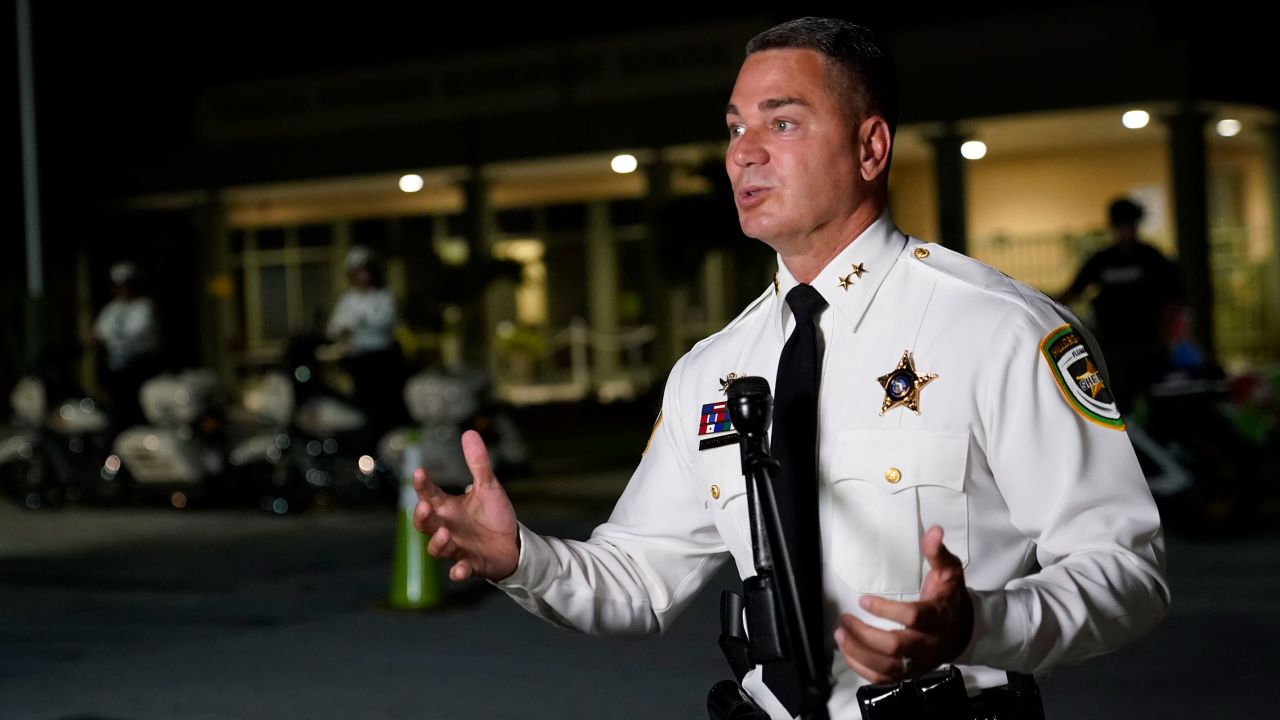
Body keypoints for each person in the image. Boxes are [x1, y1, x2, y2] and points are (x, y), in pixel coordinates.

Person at [412, 17, 1168, 719]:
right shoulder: (710, 370)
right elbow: (638, 584)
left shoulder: (998, 330)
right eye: (735, 127)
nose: (743, 151)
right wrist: (521, 559)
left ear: (871, 148)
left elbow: (1125, 572)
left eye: (782, 121)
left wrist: (977, 625)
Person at [1059, 198, 1181, 412]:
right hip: (1114, 345)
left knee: (1157, 403)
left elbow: (1173, 299)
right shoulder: (1103, 259)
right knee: (1119, 402)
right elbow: (1073, 292)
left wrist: (1165, 335)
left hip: (1148, 342)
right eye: (1121, 226)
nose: (1126, 231)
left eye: (1130, 225)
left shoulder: (1151, 257)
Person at [326, 245, 407, 436]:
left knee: (387, 406)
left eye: (365, 270)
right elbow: (333, 329)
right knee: (360, 406)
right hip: (358, 362)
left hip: (383, 361)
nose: (362, 275)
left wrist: (356, 323)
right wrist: (345, 329)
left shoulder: (384, 298)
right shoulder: (347, 300)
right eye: (357, 271)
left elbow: (382, 322)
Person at [93, 261, 160, 430]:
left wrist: (111, 339)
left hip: (141, 368)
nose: (123, 289)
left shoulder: (144, 307)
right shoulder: (111, 310)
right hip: (117, 370)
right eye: (119, 285)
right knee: (117, 413)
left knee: (140, 411)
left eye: (127, 285)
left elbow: (137, 334)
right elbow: (99, 334)